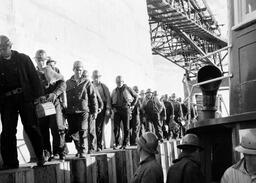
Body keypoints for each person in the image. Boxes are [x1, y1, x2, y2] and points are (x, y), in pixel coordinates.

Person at [0, 35, 45, 169]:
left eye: (4, 48)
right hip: (7, 101)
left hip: (25, 98)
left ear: (10, 46)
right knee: (8, 131)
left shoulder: (23, 59)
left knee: (31, 127)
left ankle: (40, 156)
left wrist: (39, 97)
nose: (2, 51)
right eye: (0, 49)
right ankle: (11, 162)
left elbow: (34, 78)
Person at [35, 49, 67, 160]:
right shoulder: (33, 73)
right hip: (41, 104)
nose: (41, 62)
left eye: (43, 60)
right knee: (42, 129)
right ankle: (47, 153)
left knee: (57, 127)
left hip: (53, 102)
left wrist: (54, 94)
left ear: (46, 60)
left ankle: (59, 151)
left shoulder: (51, 70)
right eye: (39, 60)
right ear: (36, 60)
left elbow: (63, 83)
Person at [65, 61, 98, 157]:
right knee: (74, 132)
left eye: (80, 70)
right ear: (73, 69)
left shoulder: (87, 82)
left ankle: (83, 151)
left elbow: (93, 97)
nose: (79, 72)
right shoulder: (68, 83)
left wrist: (94, 111)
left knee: (83, 129)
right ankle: (79, 150)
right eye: (77, 70)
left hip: (83, 110)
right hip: (71, 111)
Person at [111, 75, 138, 149]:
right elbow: (111, 101)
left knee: (126, 127)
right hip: (117, 110)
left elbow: (136, 96)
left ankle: (125, 143)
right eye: (117, 82)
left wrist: (132, 105)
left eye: (120, 82)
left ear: (123, 82)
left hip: (126, 109)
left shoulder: (128, 88)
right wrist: (113, 108)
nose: (119, 83)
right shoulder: (114, 90)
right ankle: (117, 143)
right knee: (116, 128)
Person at [92, 70, 111, 151]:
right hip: (92, 108)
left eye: (98, 77)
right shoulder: (90, 85)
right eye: (95, 77)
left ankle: (99, 145)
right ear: (92, 77)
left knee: (99, 127)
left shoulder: (104, 86)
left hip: (101, 108)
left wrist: (108, 109)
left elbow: (108, 98)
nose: (96, 79)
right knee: (91, 128)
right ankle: (92, 146)